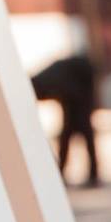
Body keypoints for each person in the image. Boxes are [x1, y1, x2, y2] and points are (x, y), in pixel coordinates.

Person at [30, 53, 100, 187]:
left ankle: (91, 174)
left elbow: (73, 92)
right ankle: (65, 173)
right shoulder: (47, 79)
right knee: (69, 136)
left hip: (78, 93)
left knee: (81, 133)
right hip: (72, 96)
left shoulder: (46, 81)